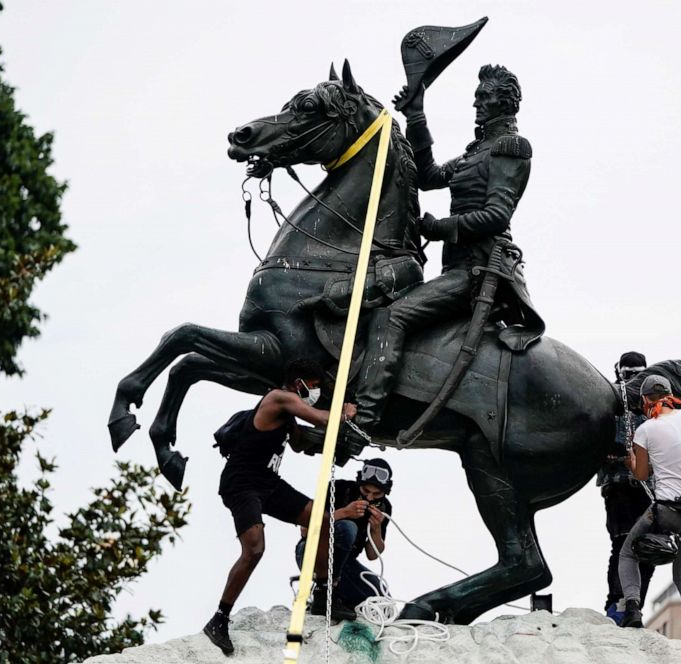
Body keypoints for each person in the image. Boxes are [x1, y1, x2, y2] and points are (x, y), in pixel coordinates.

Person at [339, 64, 544, 462]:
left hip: (479, 270)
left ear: (505, 101)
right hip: (458, 268)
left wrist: (437, 226)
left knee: (392, 317)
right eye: (477, 95)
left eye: (484, 97)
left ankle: (363, 421)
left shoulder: (510, 149)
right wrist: (415, 114)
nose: (476, 102)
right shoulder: (477, 152)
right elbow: (430, 175)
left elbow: (496, 215)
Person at [203, 358, 358, 655]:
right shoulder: (278, 398)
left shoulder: (287, 416)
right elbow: (322, 418)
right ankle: (219, 619)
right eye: (312, 388)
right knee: (255, 549)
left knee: (321, 519)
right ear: (298, 383)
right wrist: (344, 412)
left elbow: (301, 444)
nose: (314, 393)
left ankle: (325, 592)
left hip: (268, 483)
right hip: (242, 483)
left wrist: (338, 443)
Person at [618, 374, 681, 652]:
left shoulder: (645, 430)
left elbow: (642, 474)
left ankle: (633, 611)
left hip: (668, 509)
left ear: (646, 400)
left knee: (627, 553)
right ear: (670, 395)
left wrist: (629, 460)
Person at [597, 351, 655, 624]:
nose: (631, 380)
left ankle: (635, 605)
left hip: (648, 488)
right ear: (619, 372)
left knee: (651, 547)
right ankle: (615, 604)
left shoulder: (653, 406)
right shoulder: (607, 401)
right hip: (619, 485)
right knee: (622, 544)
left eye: (637, 375)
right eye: (627, 374)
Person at [294, 458, 394, 611]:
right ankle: (324, 593)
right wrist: (344, 512)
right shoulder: (338, 488)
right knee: (348, 527)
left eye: (377, 494)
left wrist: (376, 529)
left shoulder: (385, 507)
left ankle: (337, 600)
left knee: (381, 599)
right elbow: (305, 529)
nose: (370, 498)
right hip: (312, 553)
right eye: (366, 491)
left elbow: (373, 555)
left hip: (345, 565)